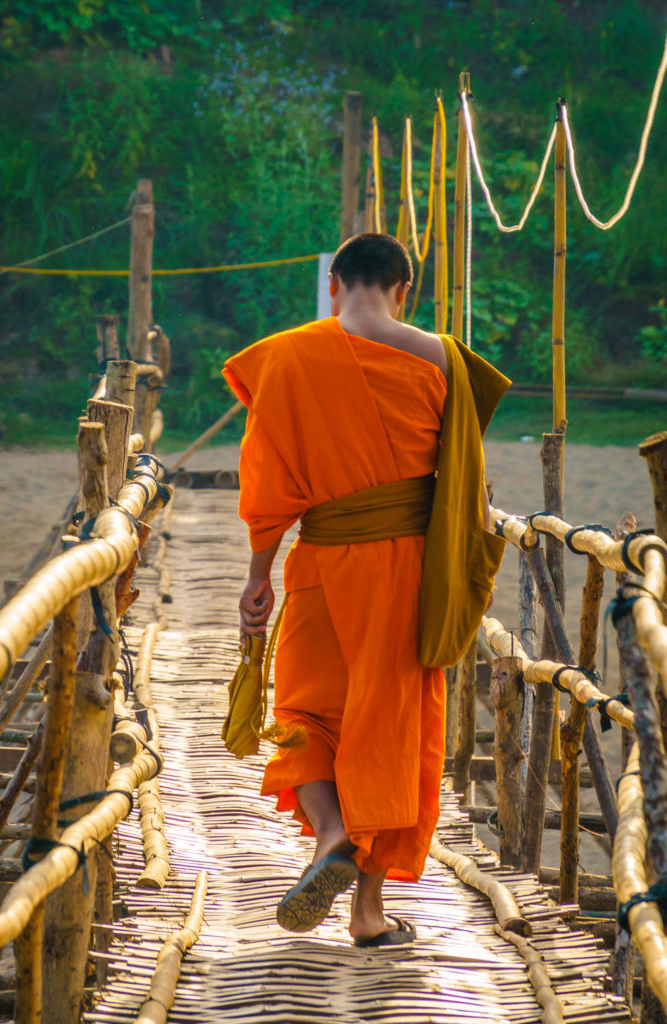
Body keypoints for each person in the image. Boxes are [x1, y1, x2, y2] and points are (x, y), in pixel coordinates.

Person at [222, 233, 508, 947]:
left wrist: (258, 577)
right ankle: (369, 915)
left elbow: (266, 481)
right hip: (410, 573)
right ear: (403, 289)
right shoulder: (443, 357)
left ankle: (330, 836)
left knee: (305, 711)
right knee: (387, 729)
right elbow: (468, 483)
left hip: (320, 563)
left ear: (334, 285)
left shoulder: (284, 357)